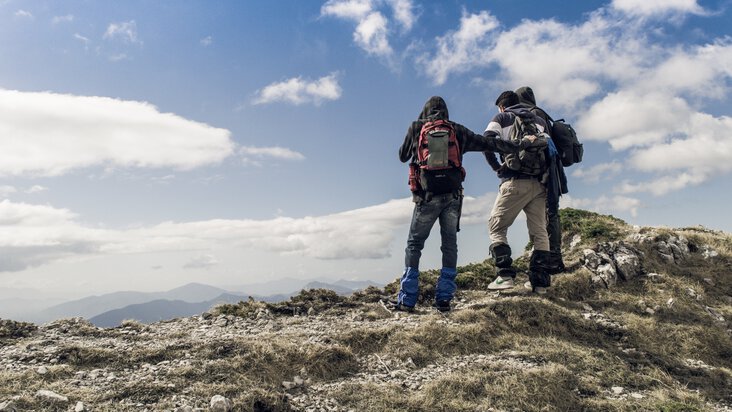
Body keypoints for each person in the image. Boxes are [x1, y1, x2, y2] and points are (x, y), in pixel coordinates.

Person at [391, 96, 520, 312]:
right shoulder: (456, 130)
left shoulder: (417, 127)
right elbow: (486, 142)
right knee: (449, 245)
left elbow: (403, 156)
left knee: (414, 244)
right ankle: (444, 299)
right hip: (452, 197)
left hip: (426, 196)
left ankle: (407, 299)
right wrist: (517, 146)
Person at [483, 91, 552, 294]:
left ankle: (504, 276)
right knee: (539, 231)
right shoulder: (539, 120)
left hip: (514, 181)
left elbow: (487, 141)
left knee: (496, 226)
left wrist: (497, 167)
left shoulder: (501, 118)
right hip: (539, 184)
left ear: (502, 107)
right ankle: (539, 283)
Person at [515, 86, 569, 274]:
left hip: (543, 173)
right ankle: (553, 258)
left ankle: (549, 260)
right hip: (553, 171)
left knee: (545, 214)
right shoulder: (541, 113)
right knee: (550, 213)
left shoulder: (530, 115)